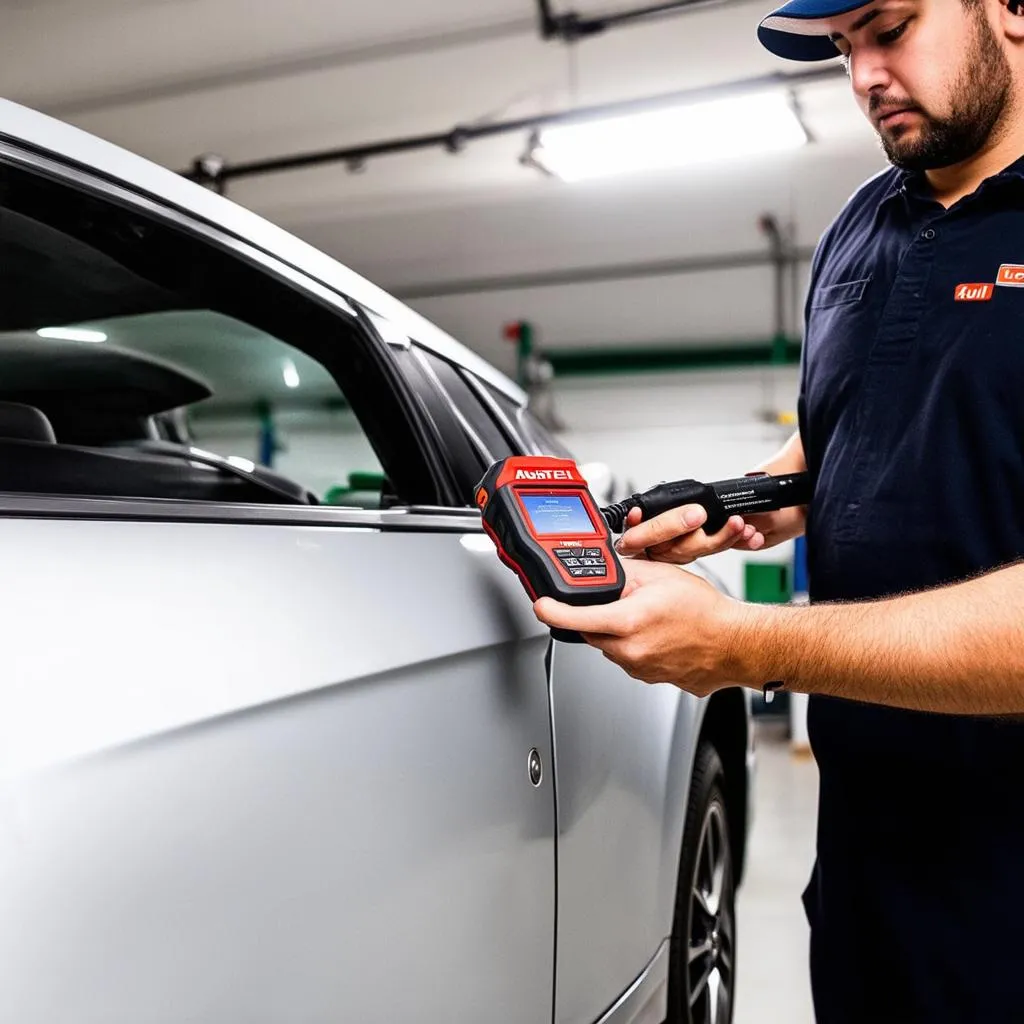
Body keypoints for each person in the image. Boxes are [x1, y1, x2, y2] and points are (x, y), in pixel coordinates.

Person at [533, 1, 1024, 1021]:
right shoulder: (855, 229)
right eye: (842, 49)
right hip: (866, 858)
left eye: (888, 28)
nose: (862, 77)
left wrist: (747, 642)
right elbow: (839, 433)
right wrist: (735, 503)